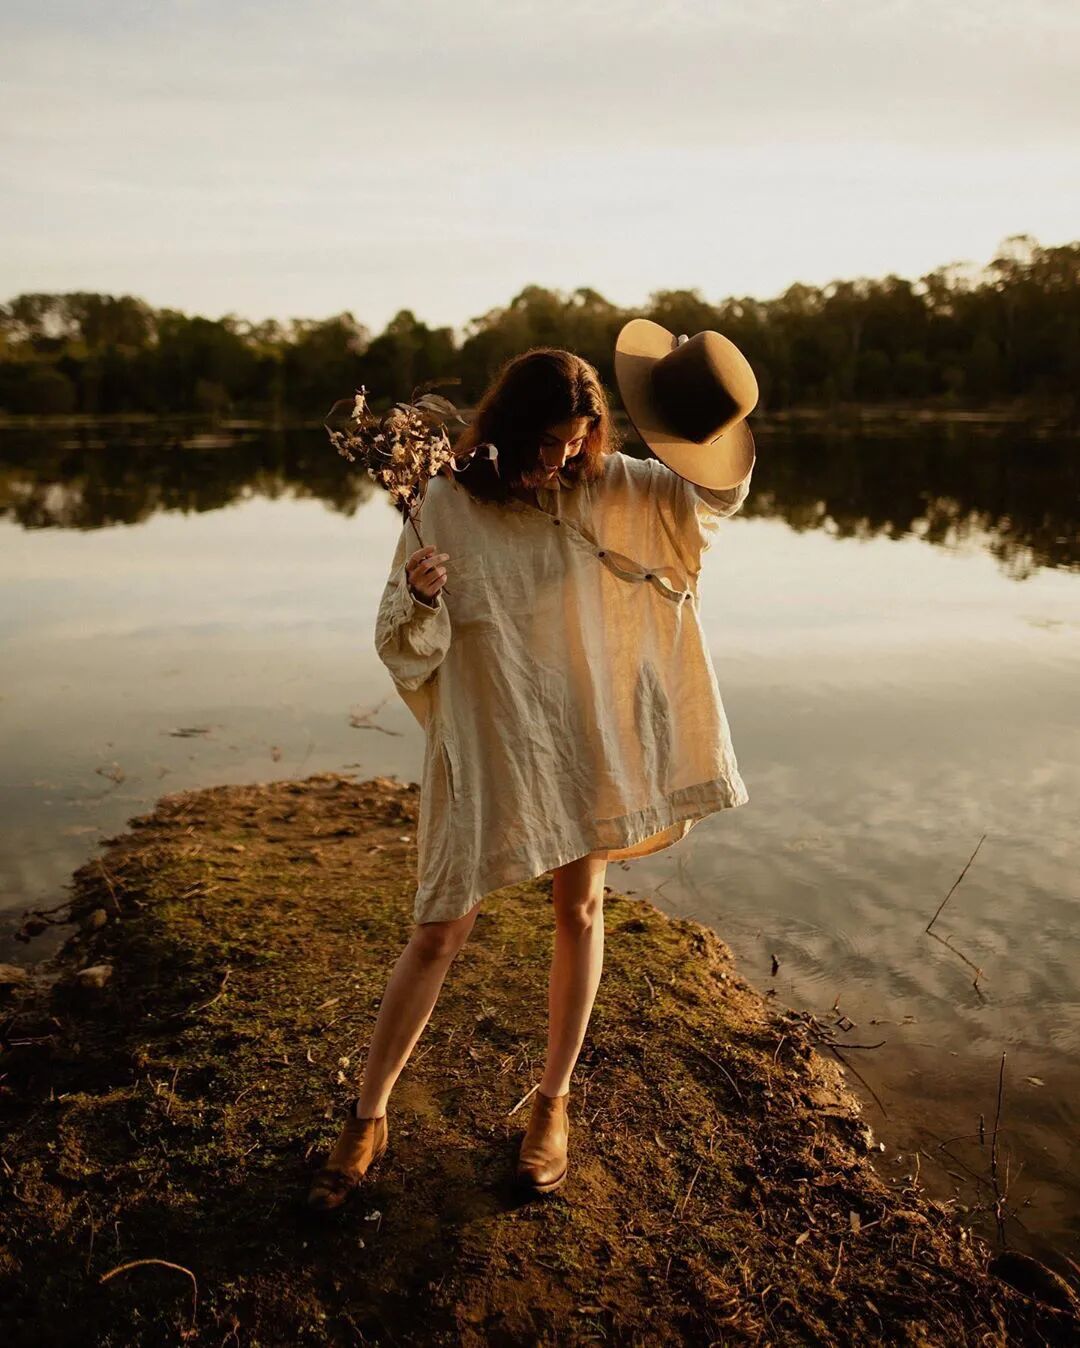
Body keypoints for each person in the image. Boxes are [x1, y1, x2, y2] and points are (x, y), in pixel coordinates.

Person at [307, 333, 757, 1210]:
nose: (558, 461)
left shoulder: (614, 485)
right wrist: (423, 595)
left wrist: (686, 409)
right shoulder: (446, 499)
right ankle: (368, 1114)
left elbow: (716, 497)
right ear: (509, 426)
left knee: (579, 907)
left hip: (582, 729)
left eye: (575, 443)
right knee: (440, 925)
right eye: (546, 442)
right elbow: (402, 642)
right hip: (495, 729)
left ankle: (551, 1104)